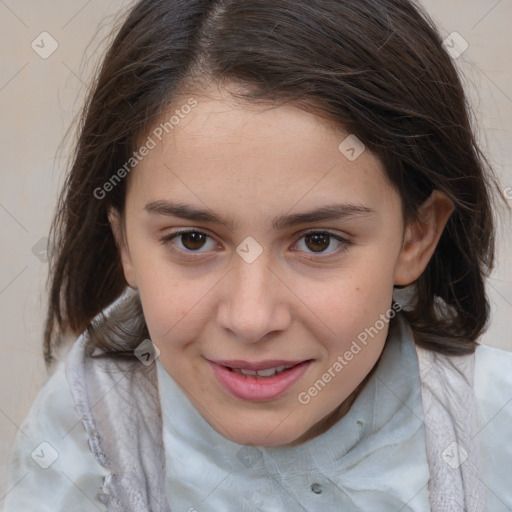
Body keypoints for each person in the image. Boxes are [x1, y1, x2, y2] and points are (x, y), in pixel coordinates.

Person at [2, 0, 511, 510]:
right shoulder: (81, 445)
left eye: (318, 241)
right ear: (125, 244)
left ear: (414, 238)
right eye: (193, 240)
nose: (251, 319)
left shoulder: (496, 432)